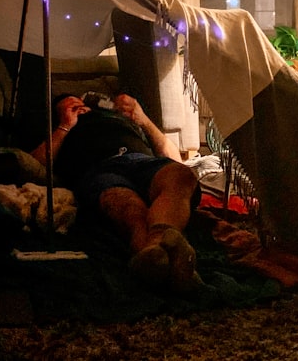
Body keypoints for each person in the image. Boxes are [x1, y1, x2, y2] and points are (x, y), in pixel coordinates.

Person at [31, 92, 201, 293]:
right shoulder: (59, 129)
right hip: (100, 170)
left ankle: (155, 249)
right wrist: (65, 126)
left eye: (80, 104)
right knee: (129, 206)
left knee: (182, 175)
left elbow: (175, 159)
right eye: (70, 106)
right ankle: (170, 261)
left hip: (141, 161)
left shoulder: (117, 118)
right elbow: (35, 164)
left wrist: (143, 120)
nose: (79, 107)